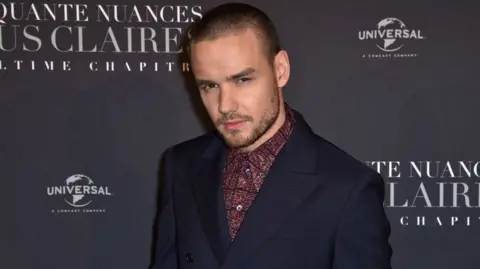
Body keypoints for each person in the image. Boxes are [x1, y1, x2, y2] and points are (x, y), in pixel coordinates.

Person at [150, 3, 392, 269]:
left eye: (242, 80)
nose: (225, 105)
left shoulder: (348, 188)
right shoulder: (181, 165)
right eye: (209, 86)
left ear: (280, 70)